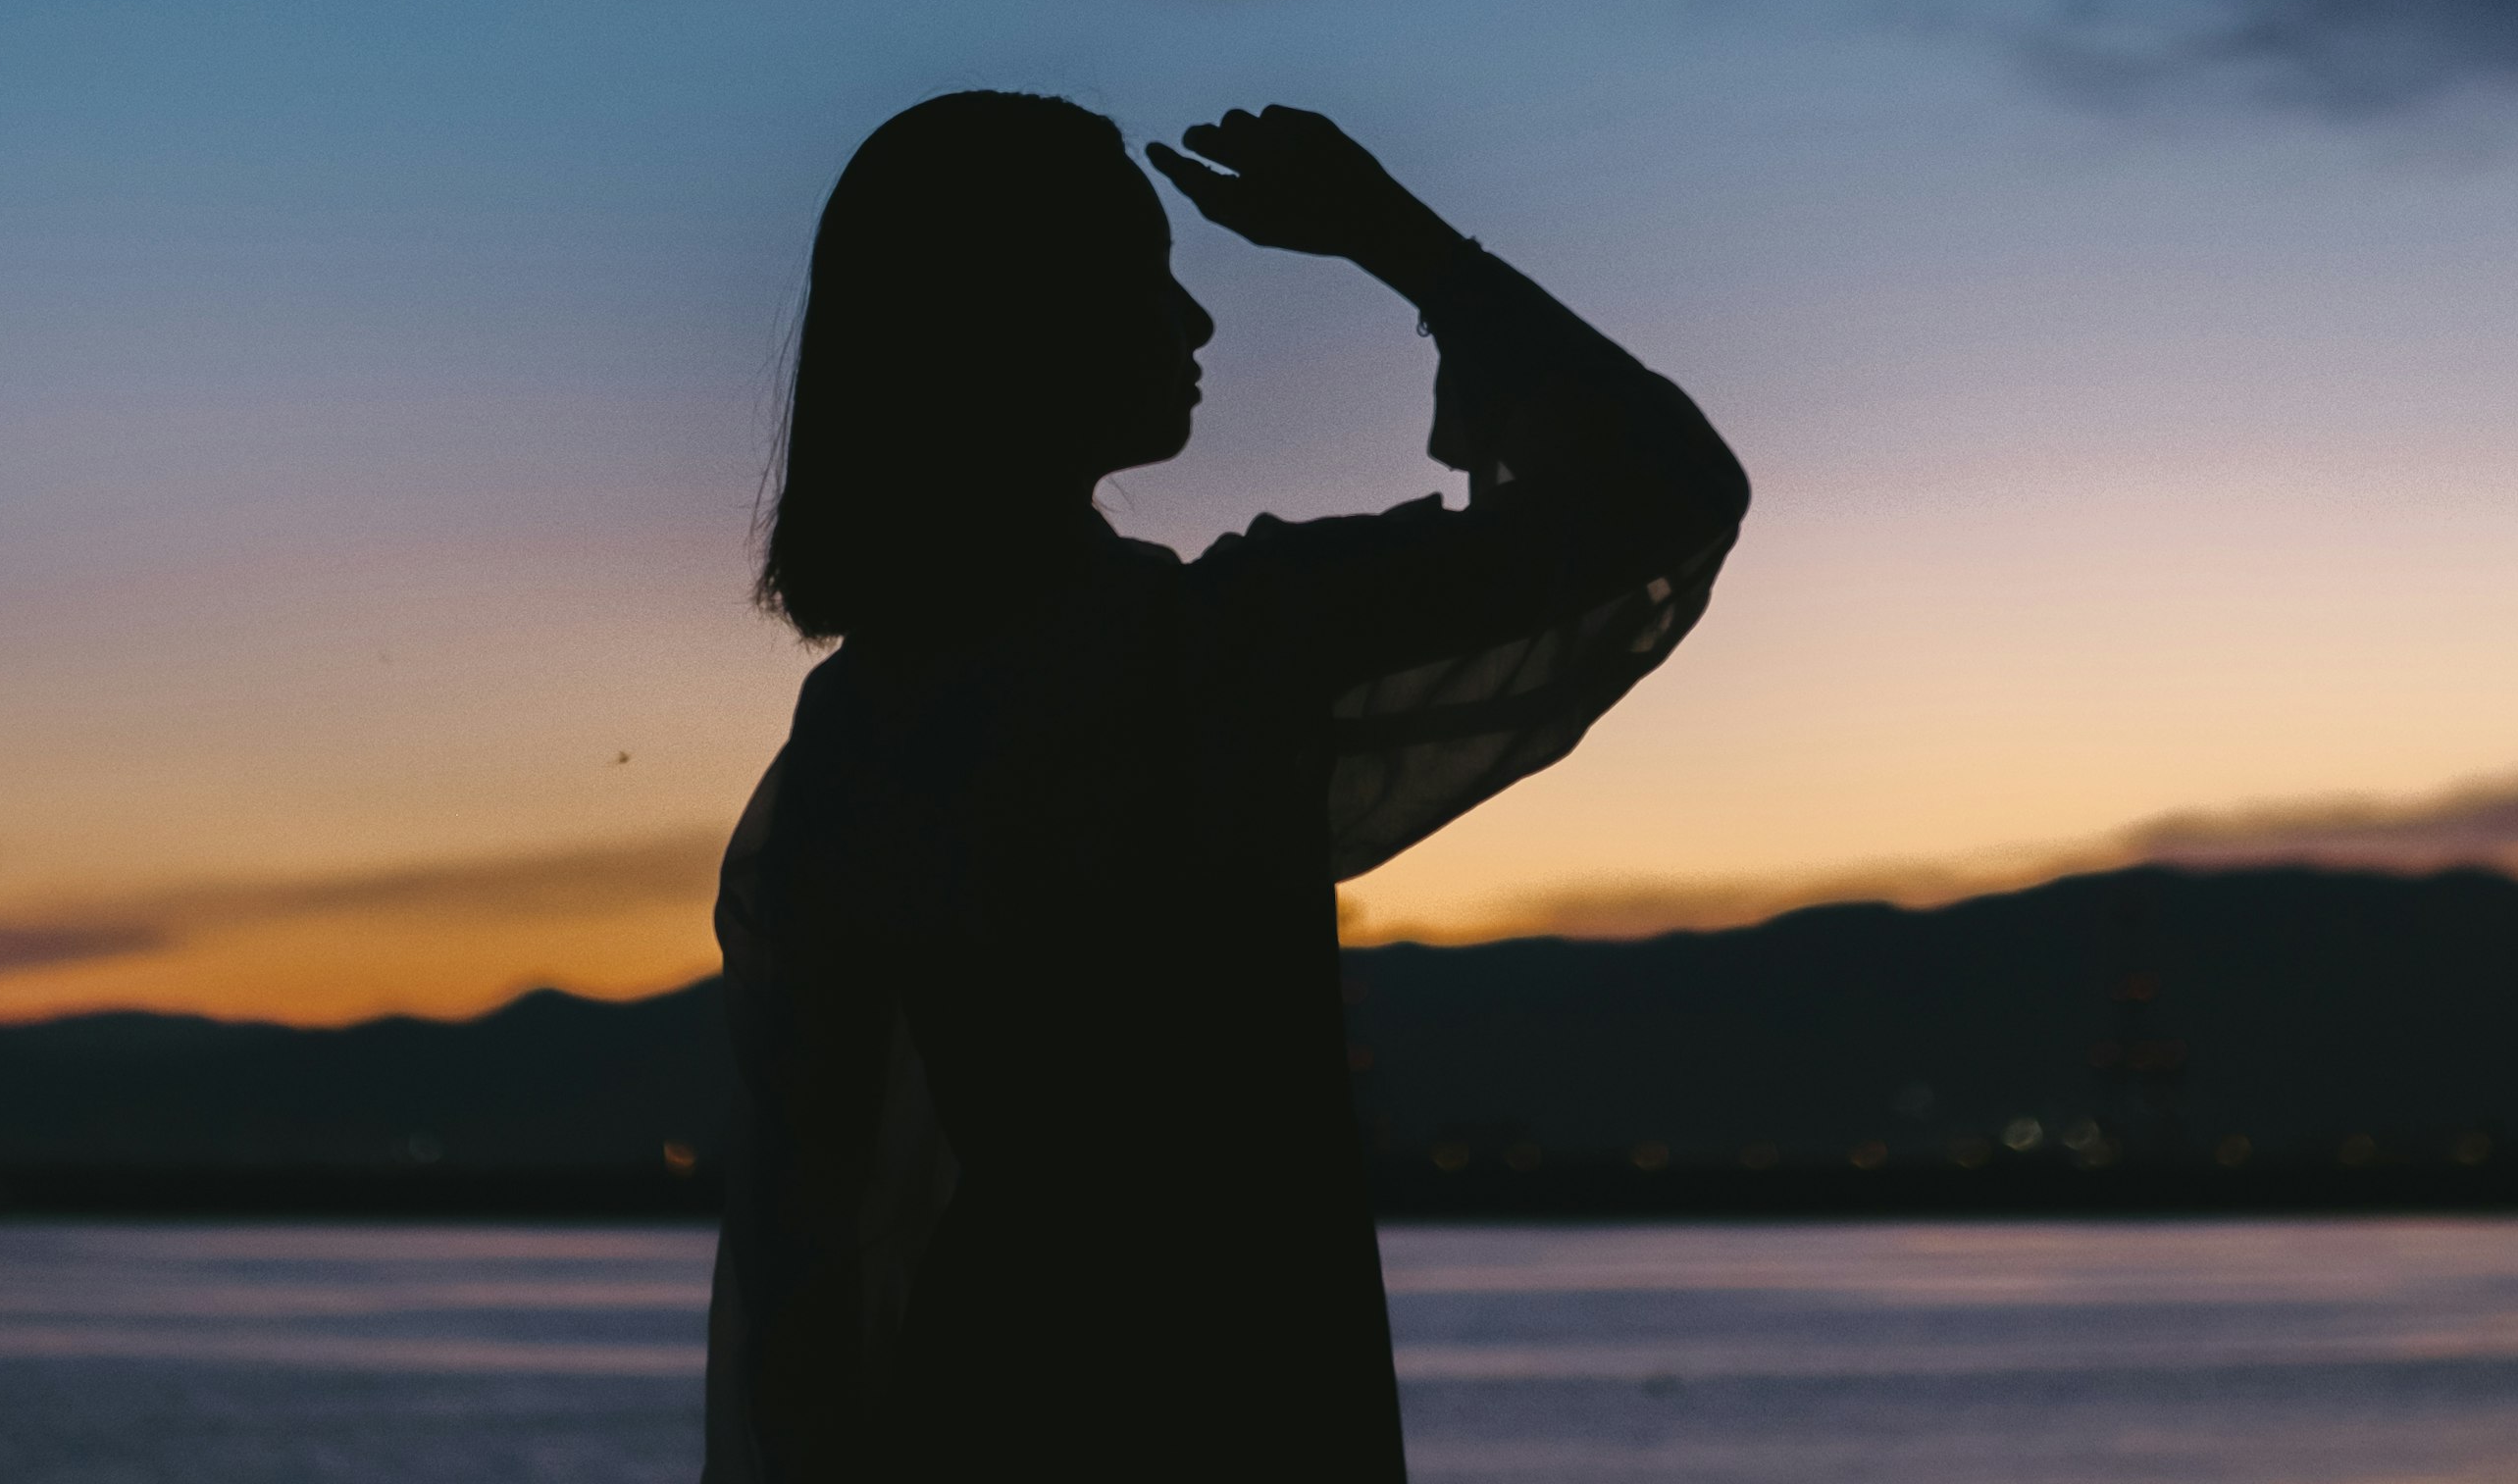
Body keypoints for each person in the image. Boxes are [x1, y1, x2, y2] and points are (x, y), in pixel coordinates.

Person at [704, 95, 1748, 1483]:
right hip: (1236, 1404)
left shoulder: (859, 740)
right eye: (1143, 275)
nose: (1194, 325)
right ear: (1020, 323)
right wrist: (1402, 242)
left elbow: (812, 1253)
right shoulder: (1222, 661)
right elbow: (1663, 492)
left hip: (982, 1405)